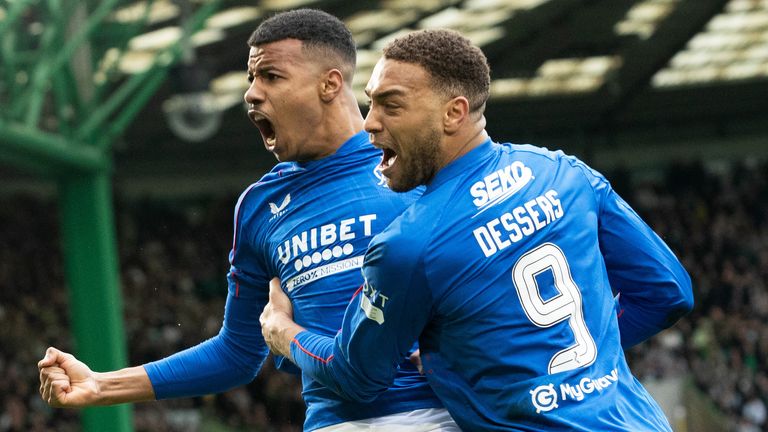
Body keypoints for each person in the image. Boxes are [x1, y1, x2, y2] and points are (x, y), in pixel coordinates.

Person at [37, 10, 459, 432]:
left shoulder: (416, 164)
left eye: (271, 77)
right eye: (251, 79)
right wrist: (100, 384)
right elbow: (236, 353)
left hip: (440, 415)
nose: (252, 94)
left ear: (329, 84)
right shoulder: (259, 206)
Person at [260, 28, 694, 431]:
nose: (370, 121)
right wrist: (580, 359)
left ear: (454, 113)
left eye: (391, 105)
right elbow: (668, 292)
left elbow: (353, 377)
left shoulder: (410, 244)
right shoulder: (564, 173)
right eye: (370, 101)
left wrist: (283, 333)